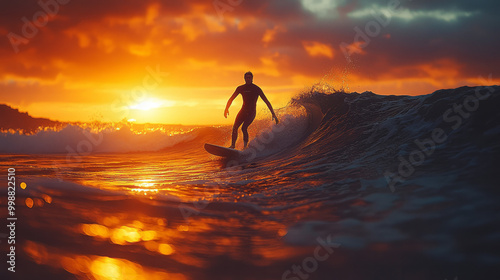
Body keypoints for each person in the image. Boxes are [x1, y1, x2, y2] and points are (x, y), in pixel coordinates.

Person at [224, 71, 279, 149]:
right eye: (246, 78)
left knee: (244, 128)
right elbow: (231, 99)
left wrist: (273, 113)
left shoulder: (256, 89)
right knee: (235, 127)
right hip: (243, 111)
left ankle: (245, 146)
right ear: (244, 79)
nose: (248, 79)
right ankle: (233, 145)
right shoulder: (240, 88)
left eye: (249, 78)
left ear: (252, 79)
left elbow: (266, 101)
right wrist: (226, 108)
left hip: (251, 112)